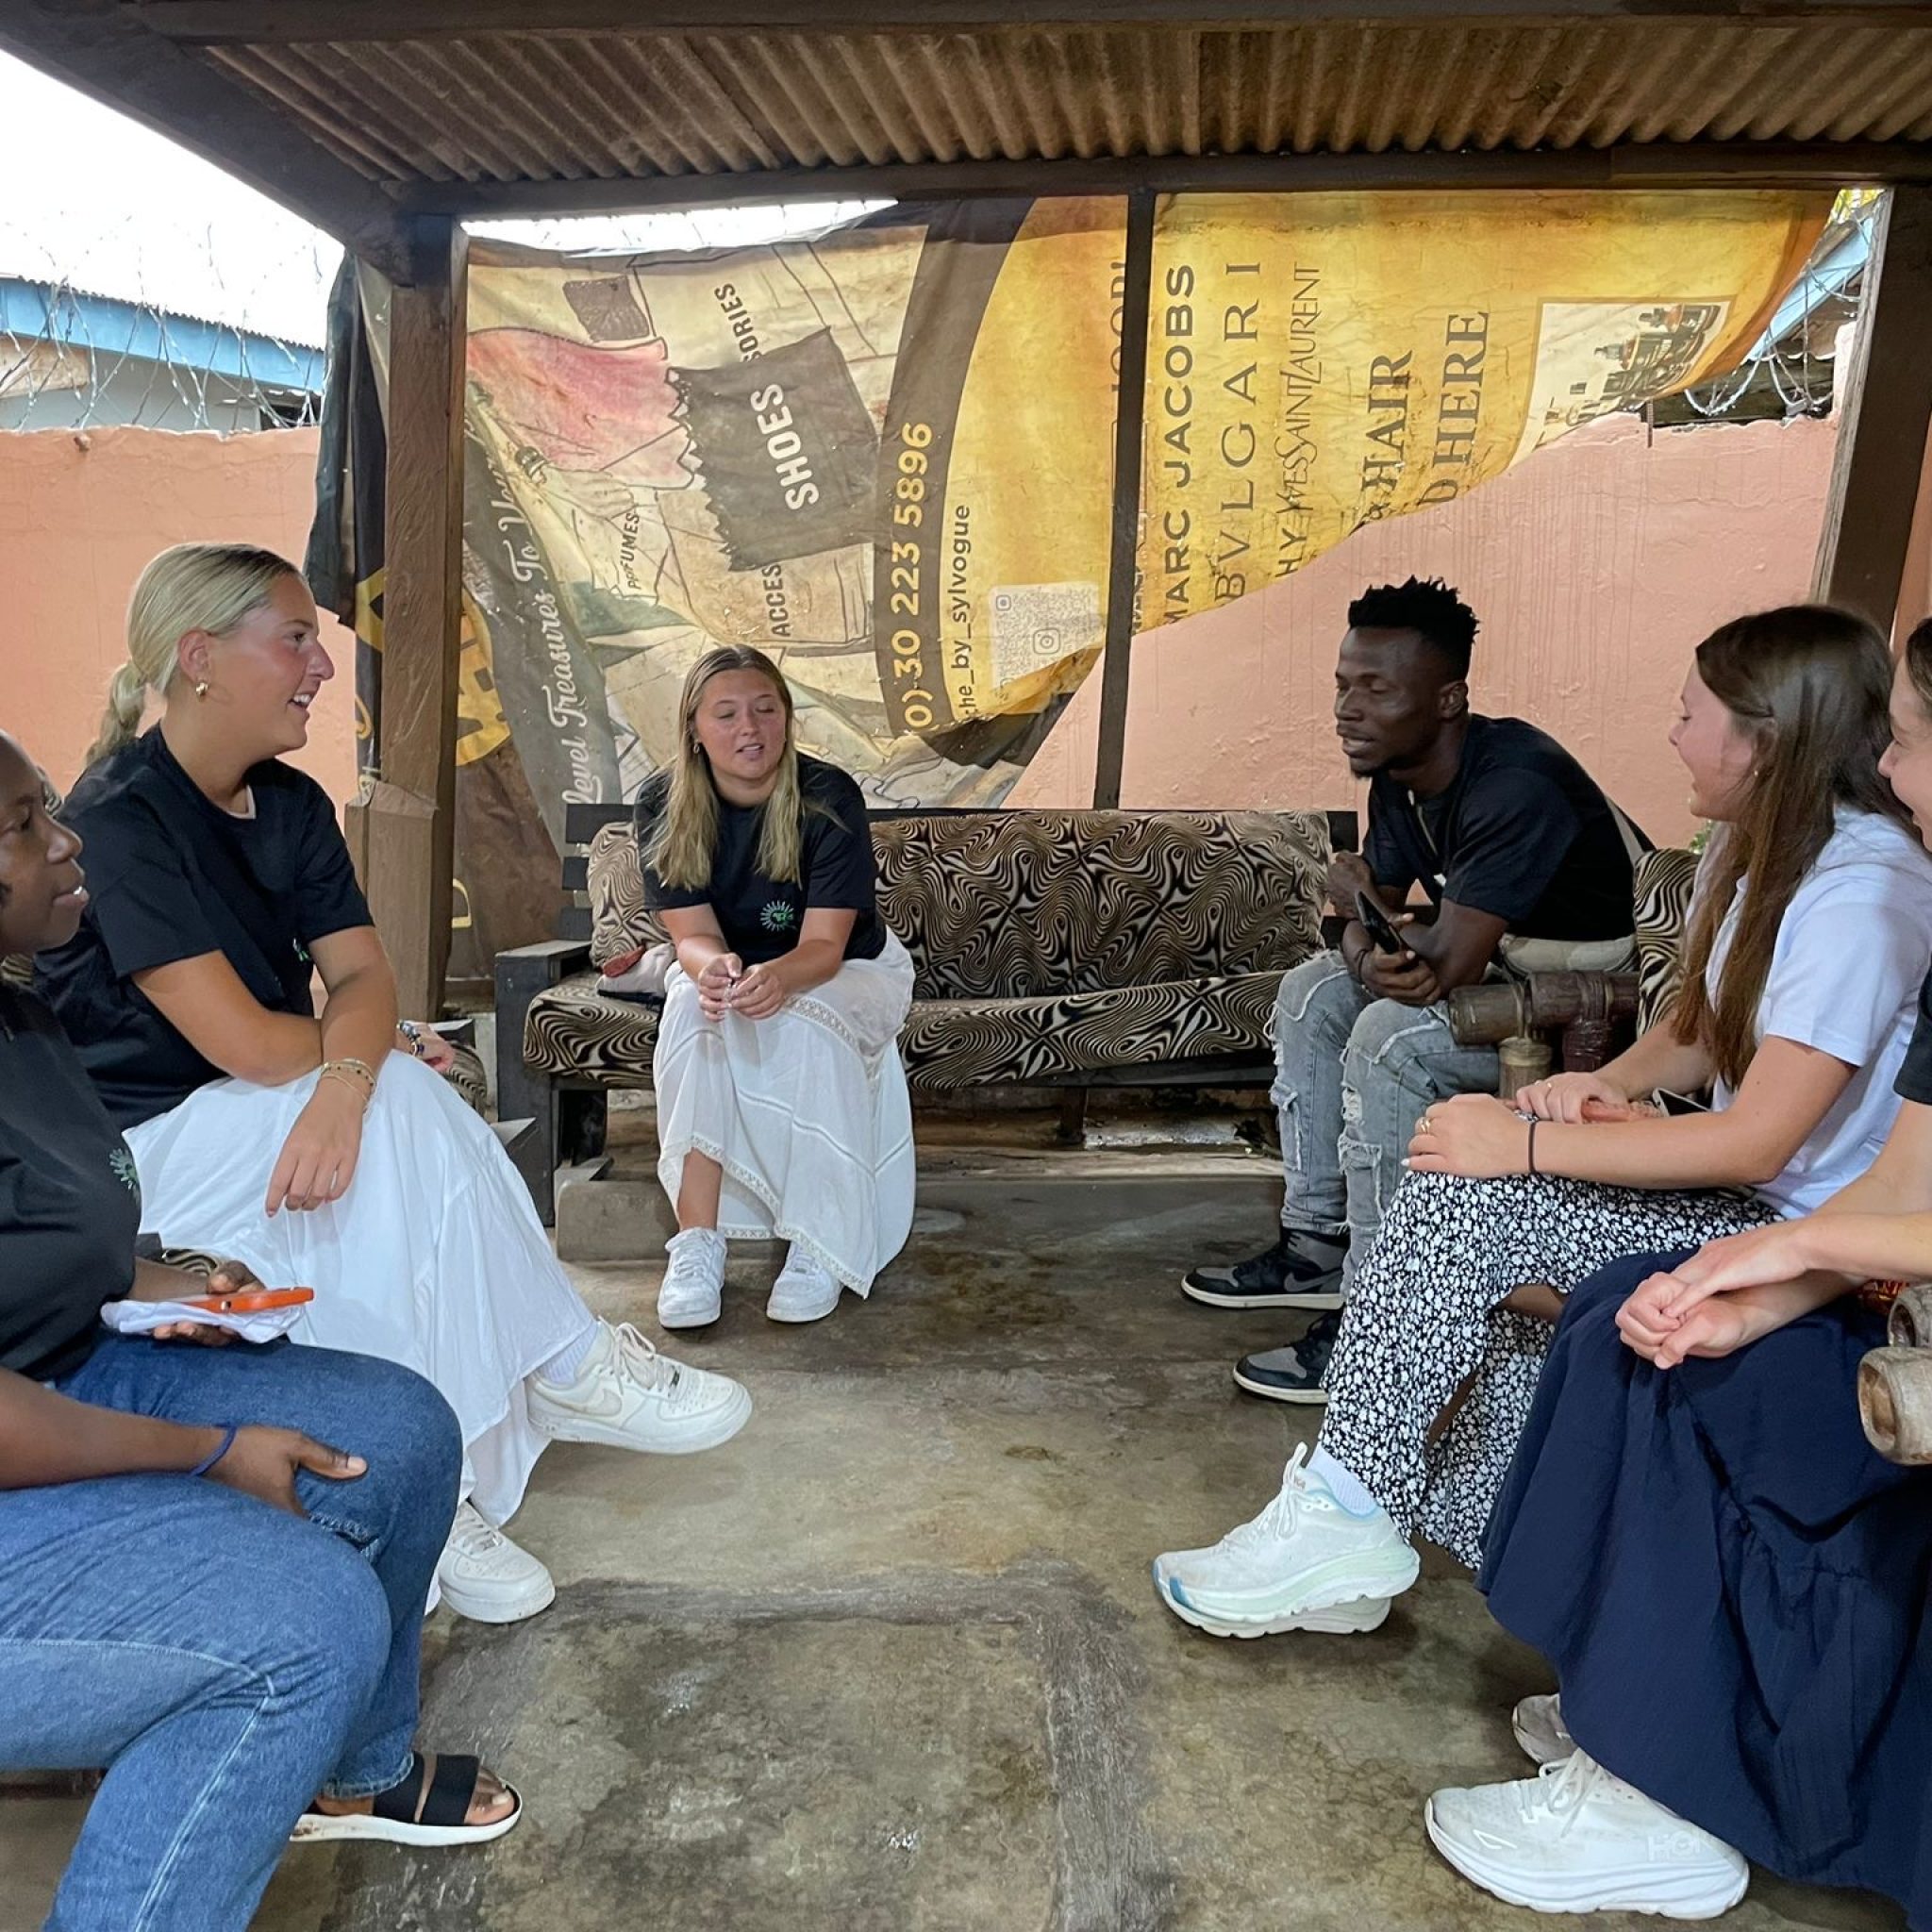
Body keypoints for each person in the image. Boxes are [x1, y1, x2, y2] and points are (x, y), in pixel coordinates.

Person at [1155, 604, 1932, 1641]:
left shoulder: (1862, 895)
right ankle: (1488, 1555)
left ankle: (1345, 1515)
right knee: (1466, 1203)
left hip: (1804, 1234)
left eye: (1688, 715)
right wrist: (1596, 1086)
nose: (1671, 735)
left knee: (1463, 1198)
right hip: (1750, 1200)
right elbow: (1698, 1030)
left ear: (1762, 740)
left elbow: (1759, 1143)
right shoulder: (1757, 849)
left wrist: (1524, 1142)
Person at [34, 543, 752, 1629]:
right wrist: (354, 1067)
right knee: (405, 1108)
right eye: (294, 639)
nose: (322, 666)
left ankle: (438, 1476)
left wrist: (347, 1076)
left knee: (392, 1122)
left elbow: (368, 979)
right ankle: (554, 1370)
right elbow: (243, 1041)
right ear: (199, 657)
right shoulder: (123, 819)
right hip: (148, 1144)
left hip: (271, 1102)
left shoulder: (289, 804)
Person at [1427, 620, 1932, 1923]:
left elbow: (1788, 1163)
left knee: (1686, 1385)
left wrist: (1778, 1254)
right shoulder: (1758, 862)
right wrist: (1754, 1284)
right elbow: (1900, 1187)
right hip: (1887, 1288)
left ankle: (1660, 1796)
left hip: (1901, 1325)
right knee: (1636, 1314)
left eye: (1911, 744)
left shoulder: (1875, 888)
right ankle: (1615, 1701)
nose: (1894, 774)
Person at [0, 726, 519, 1932]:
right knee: (302, 1624)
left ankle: (351, 1778)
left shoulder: (21, 1016)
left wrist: (170, 1279)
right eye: (27, 825)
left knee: (398, 1429)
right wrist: (206, 1451)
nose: (67, 840)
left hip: (59, 1368)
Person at [1180, 576, 1641, 1402]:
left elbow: (1438, 966)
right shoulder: (1399, 776)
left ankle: (1386, 1322)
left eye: (1376, 689)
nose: (1347, 710)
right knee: (1314, 993)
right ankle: (1316, 1246)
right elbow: (1368, 921)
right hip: (1510, 974)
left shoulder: (1515, 783)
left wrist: (1361, 911)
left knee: (1390, 1041)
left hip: (1595, 1012)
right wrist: (1362, 941)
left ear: (1448, 698)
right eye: (1342, 686)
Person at [639, 644, 915, 1328]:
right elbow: (691, 935)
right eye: (726, 714)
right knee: (690, 1011)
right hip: (737, 964)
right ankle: (697, 1244)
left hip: (845, 969)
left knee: (809, 1021)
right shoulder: (661, 802)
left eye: (766, 709)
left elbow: (824, 947)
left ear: (787, 718)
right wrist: (713, 970)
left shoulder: (828, 797)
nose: (750, 728)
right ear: (694, 728)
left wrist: (775, 979)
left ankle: (818, 1243)